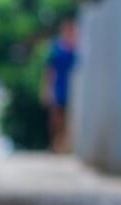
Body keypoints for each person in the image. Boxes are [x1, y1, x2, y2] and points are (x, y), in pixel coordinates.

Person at [41, 17, 78, 152]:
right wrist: (45, 88)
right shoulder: (56, 47)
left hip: (72, 88)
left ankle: (64, 143)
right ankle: (54, 143)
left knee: (67, 118)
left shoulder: (75, 48)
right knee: (55, 117)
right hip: (57, 85)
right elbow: (48, 69)